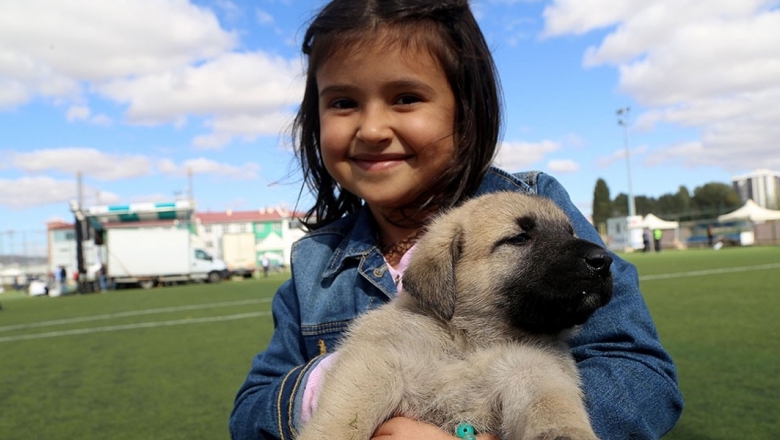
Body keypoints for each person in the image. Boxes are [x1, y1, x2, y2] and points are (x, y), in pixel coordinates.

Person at [229, 1, 683, 439]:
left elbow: (637, 367)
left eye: (405, 98)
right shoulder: (315, 264)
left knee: (535, 366)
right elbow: (251, 410)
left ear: (465, 112)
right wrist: (338, 384)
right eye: (343, 103)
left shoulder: (532, 201)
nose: (371, 129)